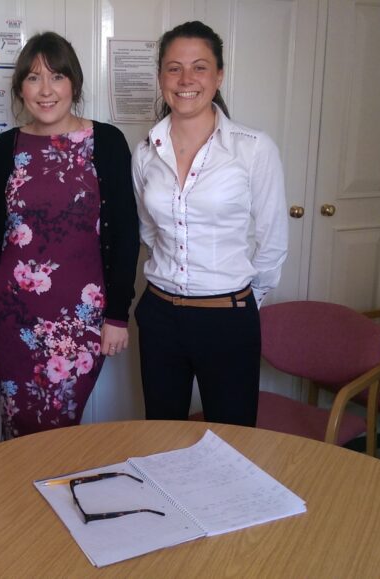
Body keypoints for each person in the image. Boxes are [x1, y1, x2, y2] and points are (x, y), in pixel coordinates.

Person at [0, 32, 139, 439]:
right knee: (17, 423)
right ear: (20, 89)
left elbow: (127, 232)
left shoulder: (107, 142)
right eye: (33, 78)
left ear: (74, 85)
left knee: (60, 426)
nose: (46, 90)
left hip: (80, 317)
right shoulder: (5, 148)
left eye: (57, 77)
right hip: (11, 315)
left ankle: (55, 500)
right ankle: (20, 501)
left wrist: (117, 313)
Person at [132, 21, 288, 426]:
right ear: (161, 77)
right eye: (174, 68)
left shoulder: (253, 149)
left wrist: (245, 301)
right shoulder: (146, 151)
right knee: (162, 434)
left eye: (199, 67)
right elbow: (149, 229)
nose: (186, 80)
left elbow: (273, 242)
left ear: (219, 76)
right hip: (159, 314)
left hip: (228, 317)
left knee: (233, 440)